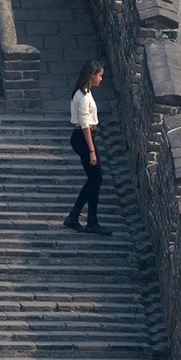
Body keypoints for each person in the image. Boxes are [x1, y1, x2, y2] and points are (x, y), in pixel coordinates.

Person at [63, 60, 112, 236]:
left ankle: (77, 217)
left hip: (84, 138)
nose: (101, 79)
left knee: (94, 179)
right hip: (83, 139)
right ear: (92, 76)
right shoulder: (82, 96)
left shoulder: (85, 92)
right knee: (96, 178)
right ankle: (90, 221)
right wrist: (92, 151)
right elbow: (84, 124)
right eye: (99, 75)